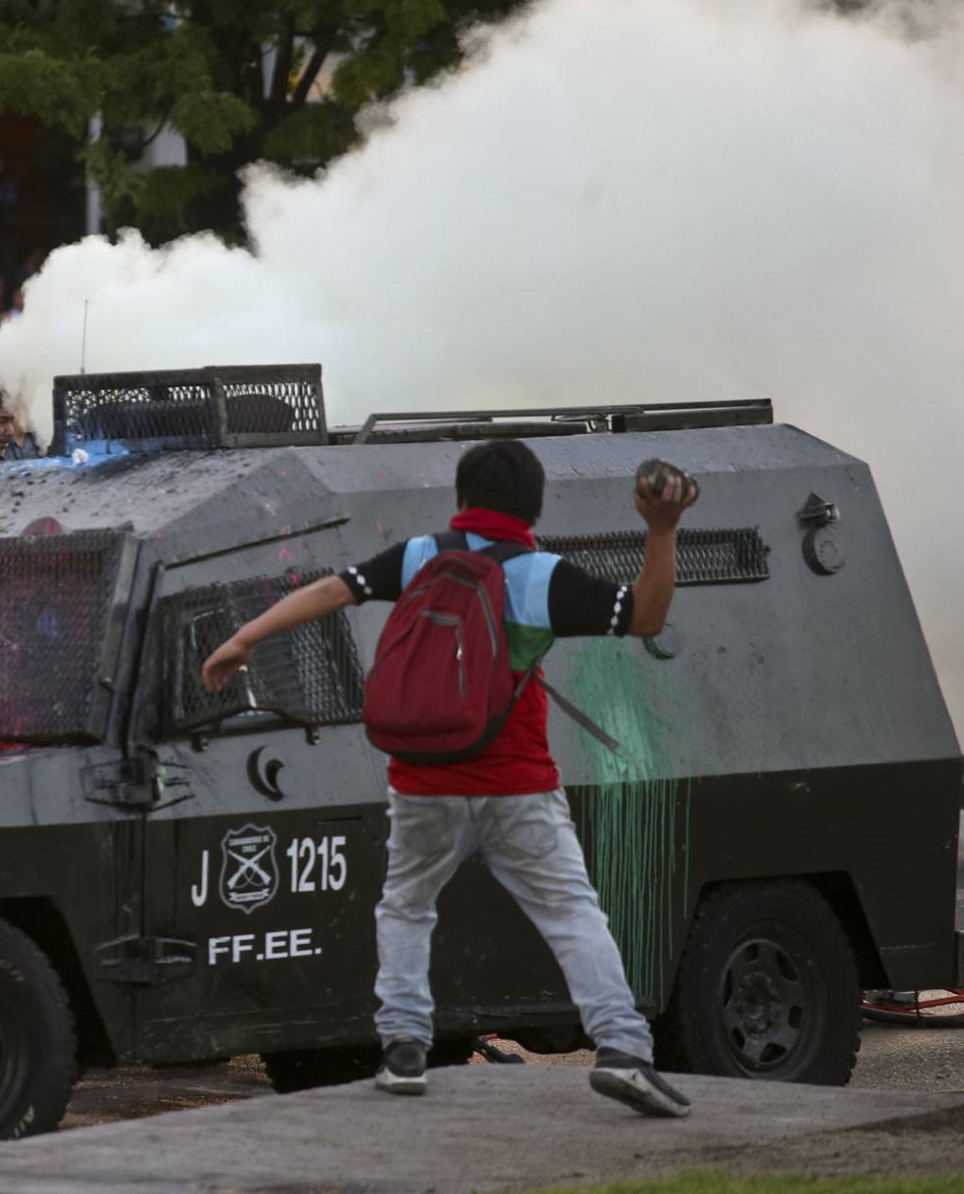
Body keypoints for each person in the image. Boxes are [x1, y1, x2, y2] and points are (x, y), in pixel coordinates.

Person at [200, 439, 702, 1117]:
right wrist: (662, 530)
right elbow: (646, 615)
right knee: (570, 913)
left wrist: (245, 638)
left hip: (422, 780)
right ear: (535, 505)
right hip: (516, 782)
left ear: (462, 501)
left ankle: (404, 1050)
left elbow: (331, 589)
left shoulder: (420, 556)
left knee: (407, 907)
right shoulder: (541, 575)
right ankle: (622, 1051)